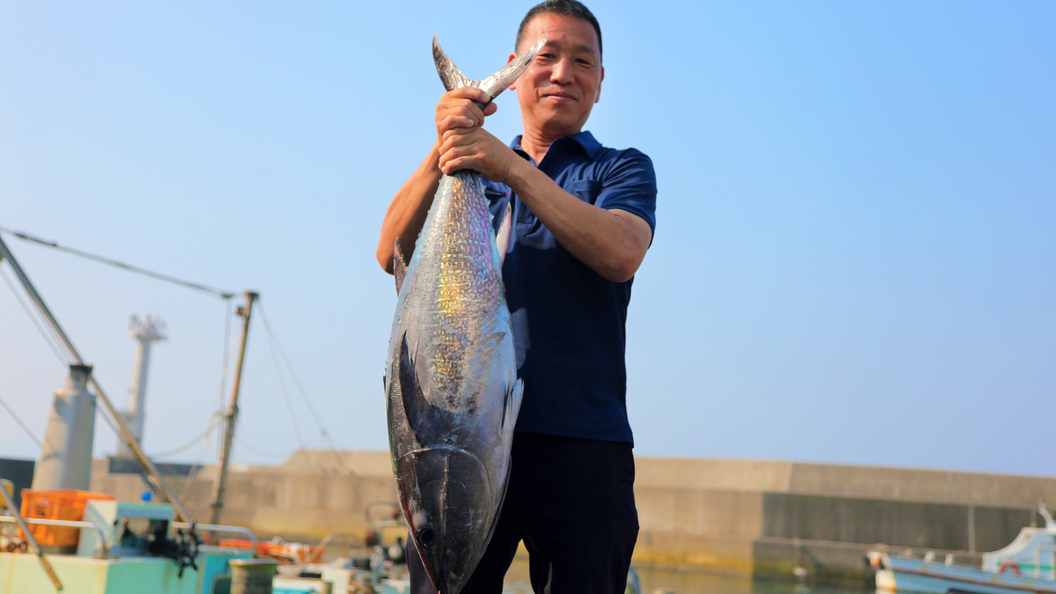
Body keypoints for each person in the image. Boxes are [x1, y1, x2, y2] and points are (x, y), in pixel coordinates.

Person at [376, 1, 657, 592]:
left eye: (583, 61)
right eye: (546, 56)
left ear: (601, 83)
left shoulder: (619, 170)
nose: (563, 72)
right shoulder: (469, 168)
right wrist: (448, 145)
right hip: (456, 432)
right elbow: (388, 252)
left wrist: (512, 169)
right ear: (516, 67)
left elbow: (621, 252)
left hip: (582, 441)